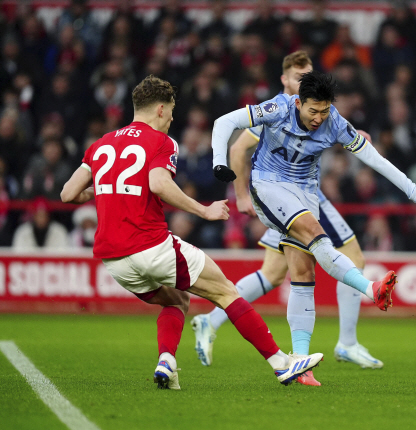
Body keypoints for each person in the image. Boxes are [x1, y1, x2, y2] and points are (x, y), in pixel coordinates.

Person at [60, 75, 322, 390]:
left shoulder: (101, 144)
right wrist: (203, 210)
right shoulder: (161, 141)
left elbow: (68, 194)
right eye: (170, 111)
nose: (171, 119)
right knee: (226, 292)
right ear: (159, 109)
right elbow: (158, 184)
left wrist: (105, 192)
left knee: (176, 299)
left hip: (115, 259)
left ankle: (167, 362)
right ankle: (282, 364)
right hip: (151, 245)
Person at [210, 70, 416, 385]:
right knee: (316, 234)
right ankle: (371, 289)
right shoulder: (277, 108)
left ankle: (299, 363)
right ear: (298, 102)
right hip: (269, 186)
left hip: (306, 193)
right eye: (313, 111)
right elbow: (223, 123)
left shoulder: (335, 122)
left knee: (303, 273)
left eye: (324, 110)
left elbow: (375, 160)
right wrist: (219, 161)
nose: (318, 118)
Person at [193, 52, 382, 386]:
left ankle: (213, 321)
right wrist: (242, 195)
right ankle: (344, 343)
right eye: (297, 77)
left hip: (303, 194)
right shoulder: (280, 109)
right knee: (337, 260)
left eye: (307, 76)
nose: (302, 84)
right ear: (284, 80)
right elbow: (238, 148)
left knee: (275, 272)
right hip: (285, 196)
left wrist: (354, 139)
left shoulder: (315, 112)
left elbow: (319, 139)